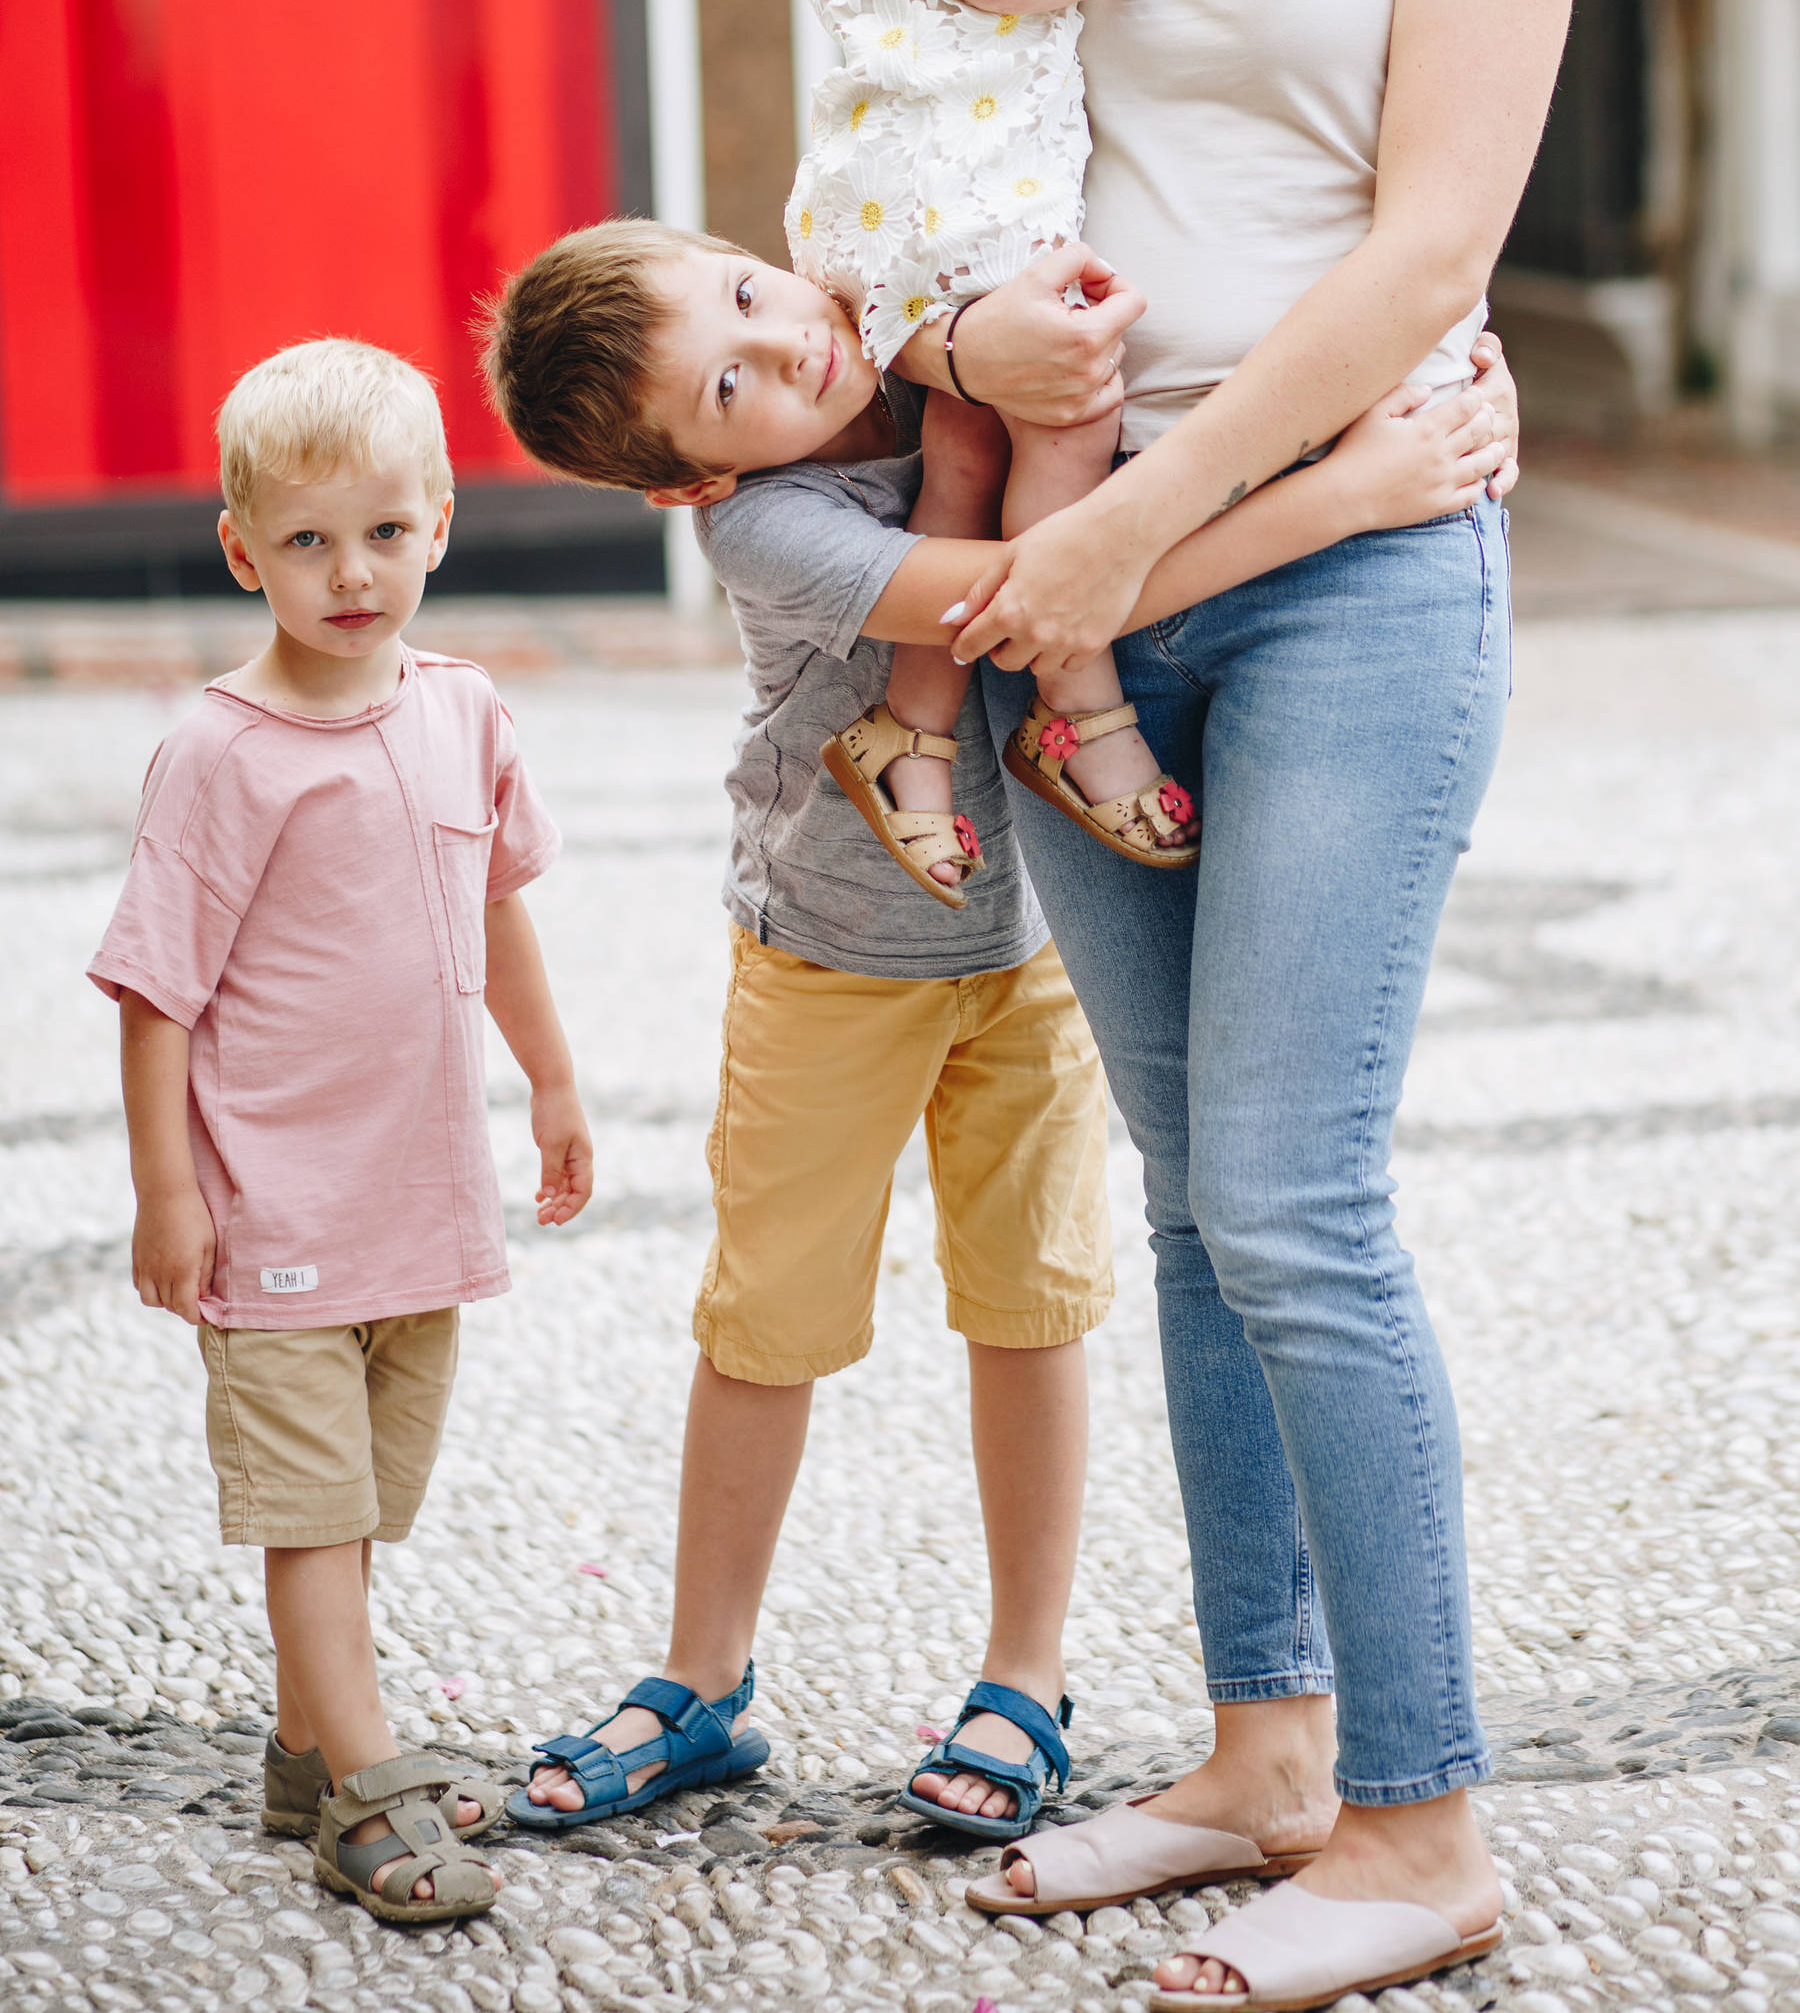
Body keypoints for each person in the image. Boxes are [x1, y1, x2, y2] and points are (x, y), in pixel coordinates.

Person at [880, 0, 1575, 2007]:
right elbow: (920, 106)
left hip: (1335, 573)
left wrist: (1152, 529)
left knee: (1296, 1190)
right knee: (1190, 1208)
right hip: (1077, 585)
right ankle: (1267, 1750)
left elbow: (1426, 254)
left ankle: (1420, 1818)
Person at [477, 217, 1515, 1843]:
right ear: (690, 481)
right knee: (769, 1322)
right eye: (729, 385)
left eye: (747, 295)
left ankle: (1025, 1679)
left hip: (1023, 941)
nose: (781, 351)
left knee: (1031, 1307)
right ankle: (701, 1677)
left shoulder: (913, 328)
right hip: (826, 957)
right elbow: (1041, 599)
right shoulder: (772, 527)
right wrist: (1352, 494)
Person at [88, 339, 592, 1930]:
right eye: (306, 541)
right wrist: (170, 1198)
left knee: (364, 1501)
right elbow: (154, 995)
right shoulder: (222, 757)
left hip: (420, 1201)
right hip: (275, 1212)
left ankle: (313, 1752)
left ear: (440, 521)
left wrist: (556, 1085)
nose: (351, 572)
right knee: (313, 1516)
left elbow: (497, 910)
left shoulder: (463, 710)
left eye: (382, 531)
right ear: (244, 552)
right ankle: (365, 1798)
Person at [769, 0, 1235, 904]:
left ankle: (910, 728)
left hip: (994, 173)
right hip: (922, 182)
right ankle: (1074, 696)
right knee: (1070, 402)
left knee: (965, 451)